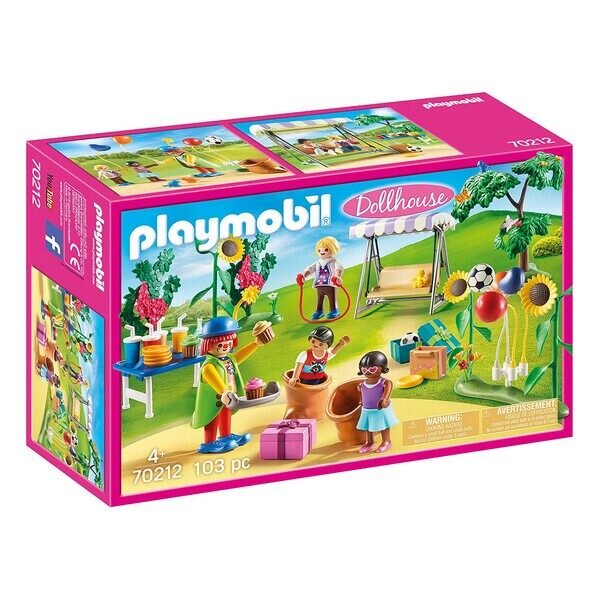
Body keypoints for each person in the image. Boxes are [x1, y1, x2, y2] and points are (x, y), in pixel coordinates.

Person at [190, 316, 271, 454]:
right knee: (212, 418)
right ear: (208, 344)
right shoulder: (208, 366)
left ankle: (225, 436)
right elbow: (214, 379)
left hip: (228, 397)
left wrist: (255, 344)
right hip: (213, 401)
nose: (226, 346)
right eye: (220, 344)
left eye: (229, 343)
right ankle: (209, 442)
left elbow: (238, 356)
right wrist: (224, 391)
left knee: (226, 413)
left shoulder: (228, 359)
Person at [356, 351, 397, 454]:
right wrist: (361, 402)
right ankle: (369, 442)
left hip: (380, 409)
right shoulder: (361, 385)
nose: (367, 372)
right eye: (364, 369)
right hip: (367, 410)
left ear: (382, 368)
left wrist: (384, 401)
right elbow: (361, 395)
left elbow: (386, 395)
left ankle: (387, 441)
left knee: (384, 425)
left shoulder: (385, 382)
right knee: (368, 426)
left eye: (372, 369)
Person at [296, 236, 344, 320]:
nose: (322, 252)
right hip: (319, 284)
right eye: (319, 250)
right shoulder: (317, 263)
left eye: (326, 249)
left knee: (332, 298)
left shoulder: (334, 261)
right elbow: (310, 269)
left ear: (333, 248)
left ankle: (334, 310)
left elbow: (338, 268)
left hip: (330, 284)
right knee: (319, 299)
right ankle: (319, 311)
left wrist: (337, 277)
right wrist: (304, 276)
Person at [159, 145, 223, 177]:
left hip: (195, 161)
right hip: (191, 163)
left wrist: (190, 162)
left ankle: (215, 172)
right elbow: (171, 159)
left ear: (176, 151)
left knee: (205, 165)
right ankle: (204, 173)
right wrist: (163, 162)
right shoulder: (176, 156)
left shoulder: (185, 154)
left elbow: (191, 157)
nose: (169, 153)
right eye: (167, 152)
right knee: (197, 167)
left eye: (169, 152)